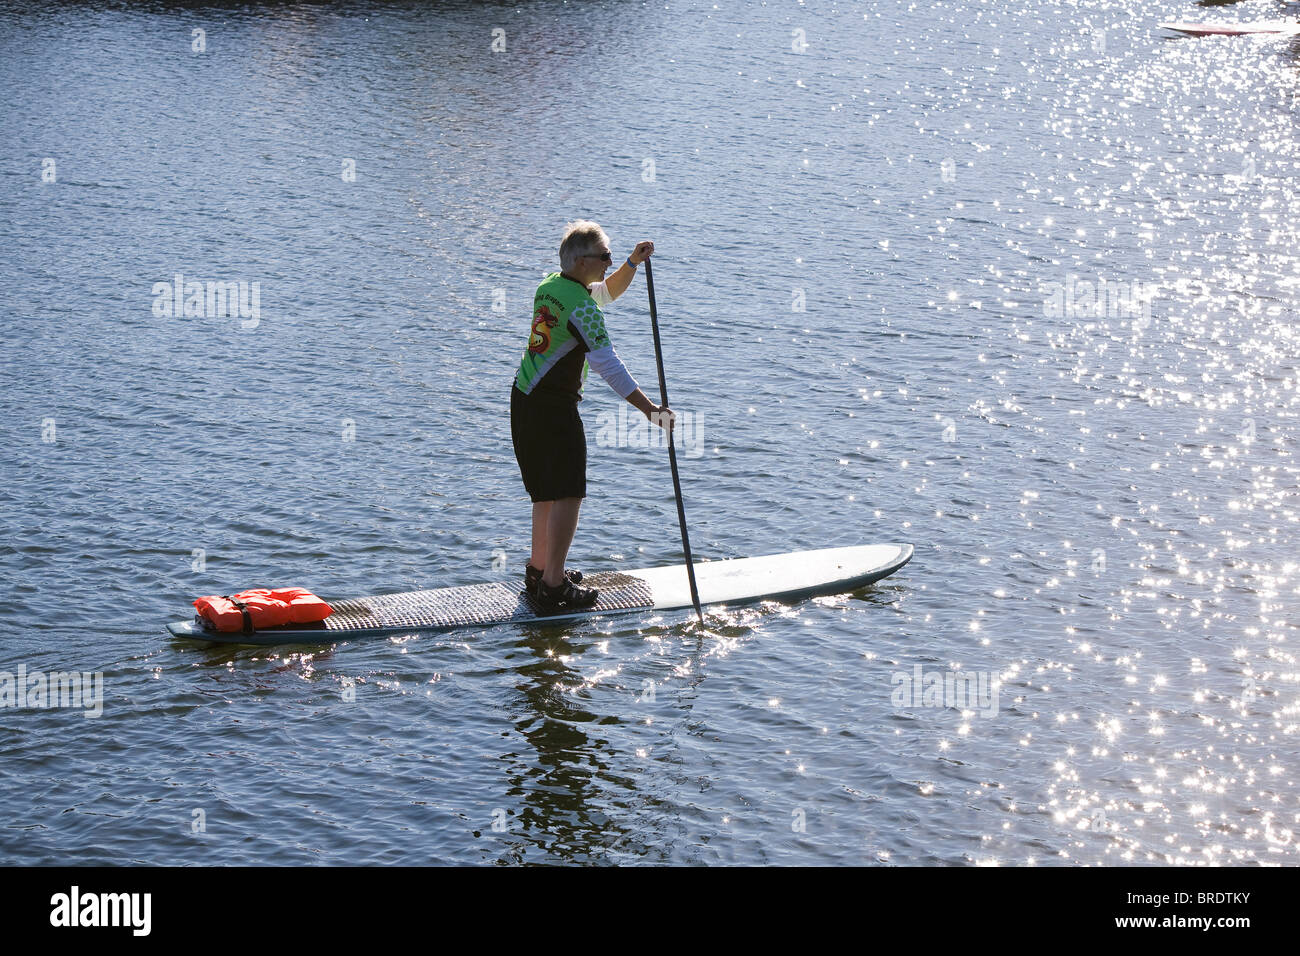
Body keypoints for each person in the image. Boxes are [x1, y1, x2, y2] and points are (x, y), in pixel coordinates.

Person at [511, 220, 674, 612]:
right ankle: (553, 587)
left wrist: (632, 264)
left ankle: (539, 570)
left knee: (546, 492)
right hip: (552, 407)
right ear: (584, 261)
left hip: (522, 398)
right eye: (605, 257)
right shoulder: (583, 308)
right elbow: (610, 367)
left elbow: (605, 292)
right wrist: (650, 411)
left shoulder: (552, 285)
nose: (609, 261)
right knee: (569, 492)